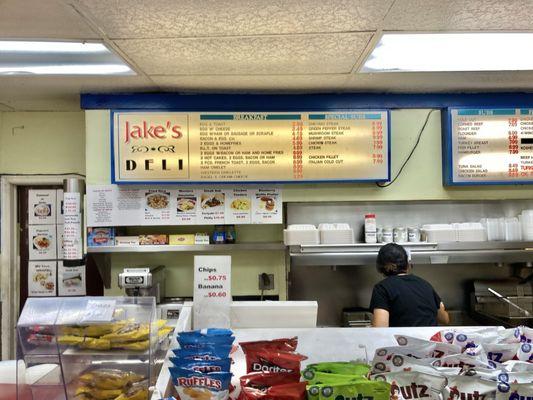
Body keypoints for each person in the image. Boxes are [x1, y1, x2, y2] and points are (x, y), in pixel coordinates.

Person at [369, 243, 450, 327]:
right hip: (430, 339)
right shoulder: (425, 284)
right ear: (407, 264)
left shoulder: (382, 288)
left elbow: (380, 328)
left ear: (381, 267)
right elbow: (444, 319)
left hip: (403, 339)